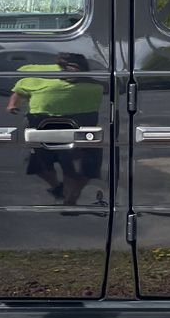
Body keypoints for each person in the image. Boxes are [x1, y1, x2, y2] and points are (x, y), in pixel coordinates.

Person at [7, 53, 104, 205]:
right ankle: (59, 188)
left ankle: (71, 196)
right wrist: (13, 105)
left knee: (79, 167)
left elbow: (118, 85)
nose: (72, 72)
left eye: (76, 68)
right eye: (68, 68)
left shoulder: (93, 83)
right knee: (38, 165)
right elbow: (19, 91)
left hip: (81, 125)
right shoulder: (37, 79)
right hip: (41, 125)